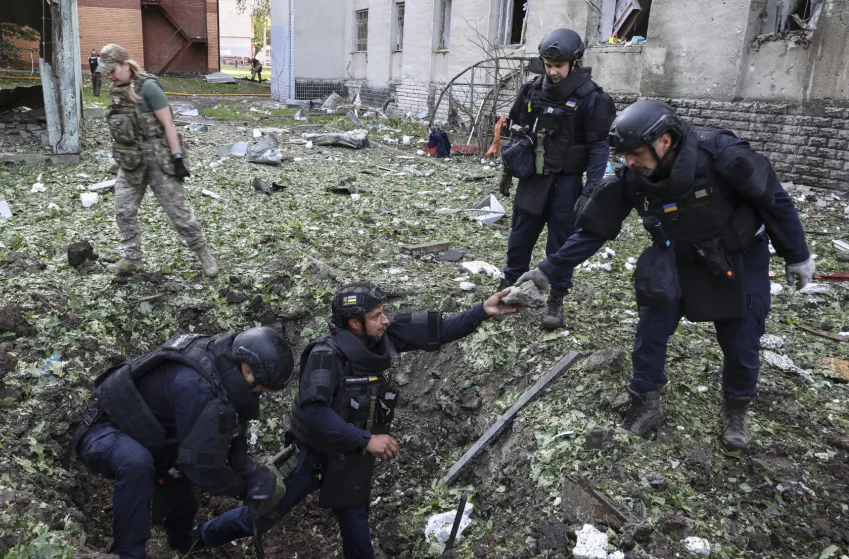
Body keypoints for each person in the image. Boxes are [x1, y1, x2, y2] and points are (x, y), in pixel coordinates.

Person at [515, 99, 814, 450]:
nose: (628, 162)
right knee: (651, 330)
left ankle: (736, 409)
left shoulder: (724, 156)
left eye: (635, 153)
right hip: (676, 254)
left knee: (742, 340)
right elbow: (594, 230)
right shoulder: (634, 176)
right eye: (624, 155)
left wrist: (797, 255)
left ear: (665, 141)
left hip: (739, 256)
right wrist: (547, 271)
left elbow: (774, 200)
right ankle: (646, 400)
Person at [199, 283, 518, 558]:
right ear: (354, 323)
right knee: (259, 516)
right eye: (376, 316)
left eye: (383, 312)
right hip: (310, 456)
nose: (385, 320)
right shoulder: (326, 355)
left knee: (358, 535)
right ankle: (198, 539)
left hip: (351, 460)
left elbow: (442, 329)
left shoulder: (385, 336)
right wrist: (367, 439)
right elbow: (314, 411)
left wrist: (482, 311)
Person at [70, 327, 295, 559]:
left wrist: (247, 469)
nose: (265, 393)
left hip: (150, 435)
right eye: (265, 387)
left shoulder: (227, 366)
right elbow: (202, 470)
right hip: (102, 431)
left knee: (180, 482)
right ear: (248, 371)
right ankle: (128, 553)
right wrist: (244, 488)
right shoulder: (199, 388)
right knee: (137, 464)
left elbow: (235, 425)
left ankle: (183, 545)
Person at [501, 28, 616, 330]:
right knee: (519, 237)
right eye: (548, 65)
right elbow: (515, 128)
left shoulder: (592, 99)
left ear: (574, 63)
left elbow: (598, 148)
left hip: (567, 182)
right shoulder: (531, 91)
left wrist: (591, 191)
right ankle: (509, 289)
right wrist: (509, 166)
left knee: (560, 245)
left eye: (558, 66)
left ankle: (556, 300)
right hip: (534, 178)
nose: (552, 71)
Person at [97, 44, 219, 277]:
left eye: (112, 69)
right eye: (106, 71)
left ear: (125, 64)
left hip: (157, 156)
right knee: (123, 210)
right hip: (131, 159)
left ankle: (203, 253)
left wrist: (177, 158)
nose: (109, 75)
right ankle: (132, 260)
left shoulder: (149, 87)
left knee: (177, 212)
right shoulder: (116, 88)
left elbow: (169, 125)